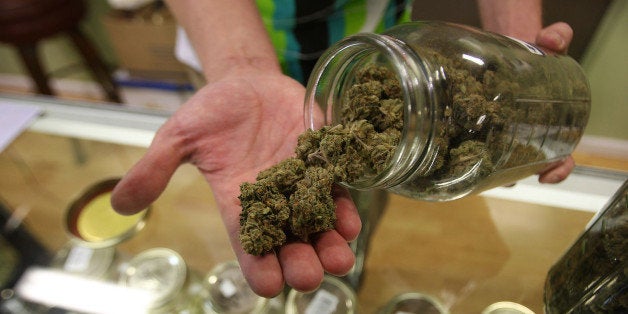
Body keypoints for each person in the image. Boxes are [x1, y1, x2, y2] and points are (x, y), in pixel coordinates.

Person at [111, 0, 577, 298]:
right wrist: (240, 66)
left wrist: (518, 61)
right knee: (348, 205)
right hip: (229, 48)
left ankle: (348, 277)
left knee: (365, 201)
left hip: (387, 53)